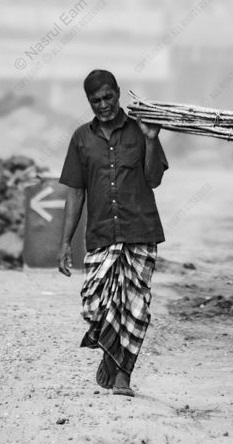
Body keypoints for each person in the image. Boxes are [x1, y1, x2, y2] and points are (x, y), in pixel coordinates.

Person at [57, 69, 168, 397]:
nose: (103, 105)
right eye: (96, 100)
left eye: (108, 97)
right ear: (88, 101)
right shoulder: (81, 138)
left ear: (118, 93)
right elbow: (76, 193)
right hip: (102, 234)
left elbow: (154, 179)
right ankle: (109, 355)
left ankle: (124, 377)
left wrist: (151, 139)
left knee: (135, 308)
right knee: (96, 305)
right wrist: (64, 243)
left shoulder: (140, 130)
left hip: (140, 230)